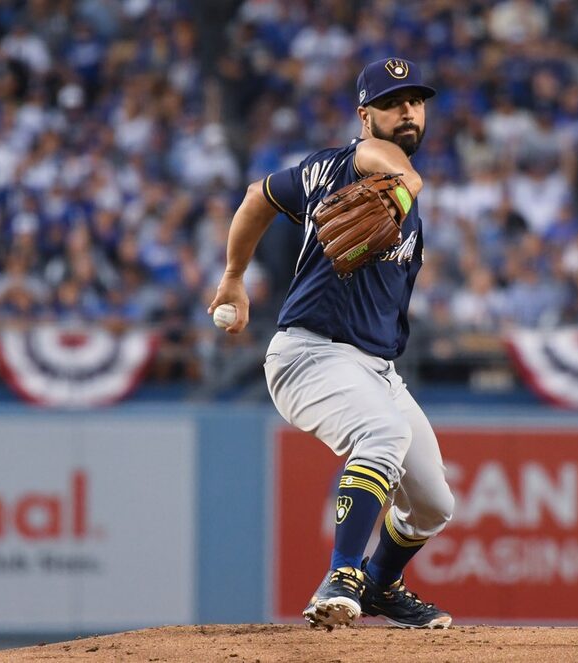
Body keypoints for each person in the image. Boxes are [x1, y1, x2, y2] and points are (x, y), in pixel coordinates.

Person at [208, 58, 454, 630]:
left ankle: (380, 583)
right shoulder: (367, 160)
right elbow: (393, 167)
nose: (409, 112)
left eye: (416, 101)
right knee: (382, 434)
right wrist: (402, 190)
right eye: (394, 103)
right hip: (311, 356)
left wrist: (233, 277)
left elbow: (256, 197)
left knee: (434, 505)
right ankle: (342, 575)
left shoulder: (318, 172)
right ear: (365, 115)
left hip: (376, 370)